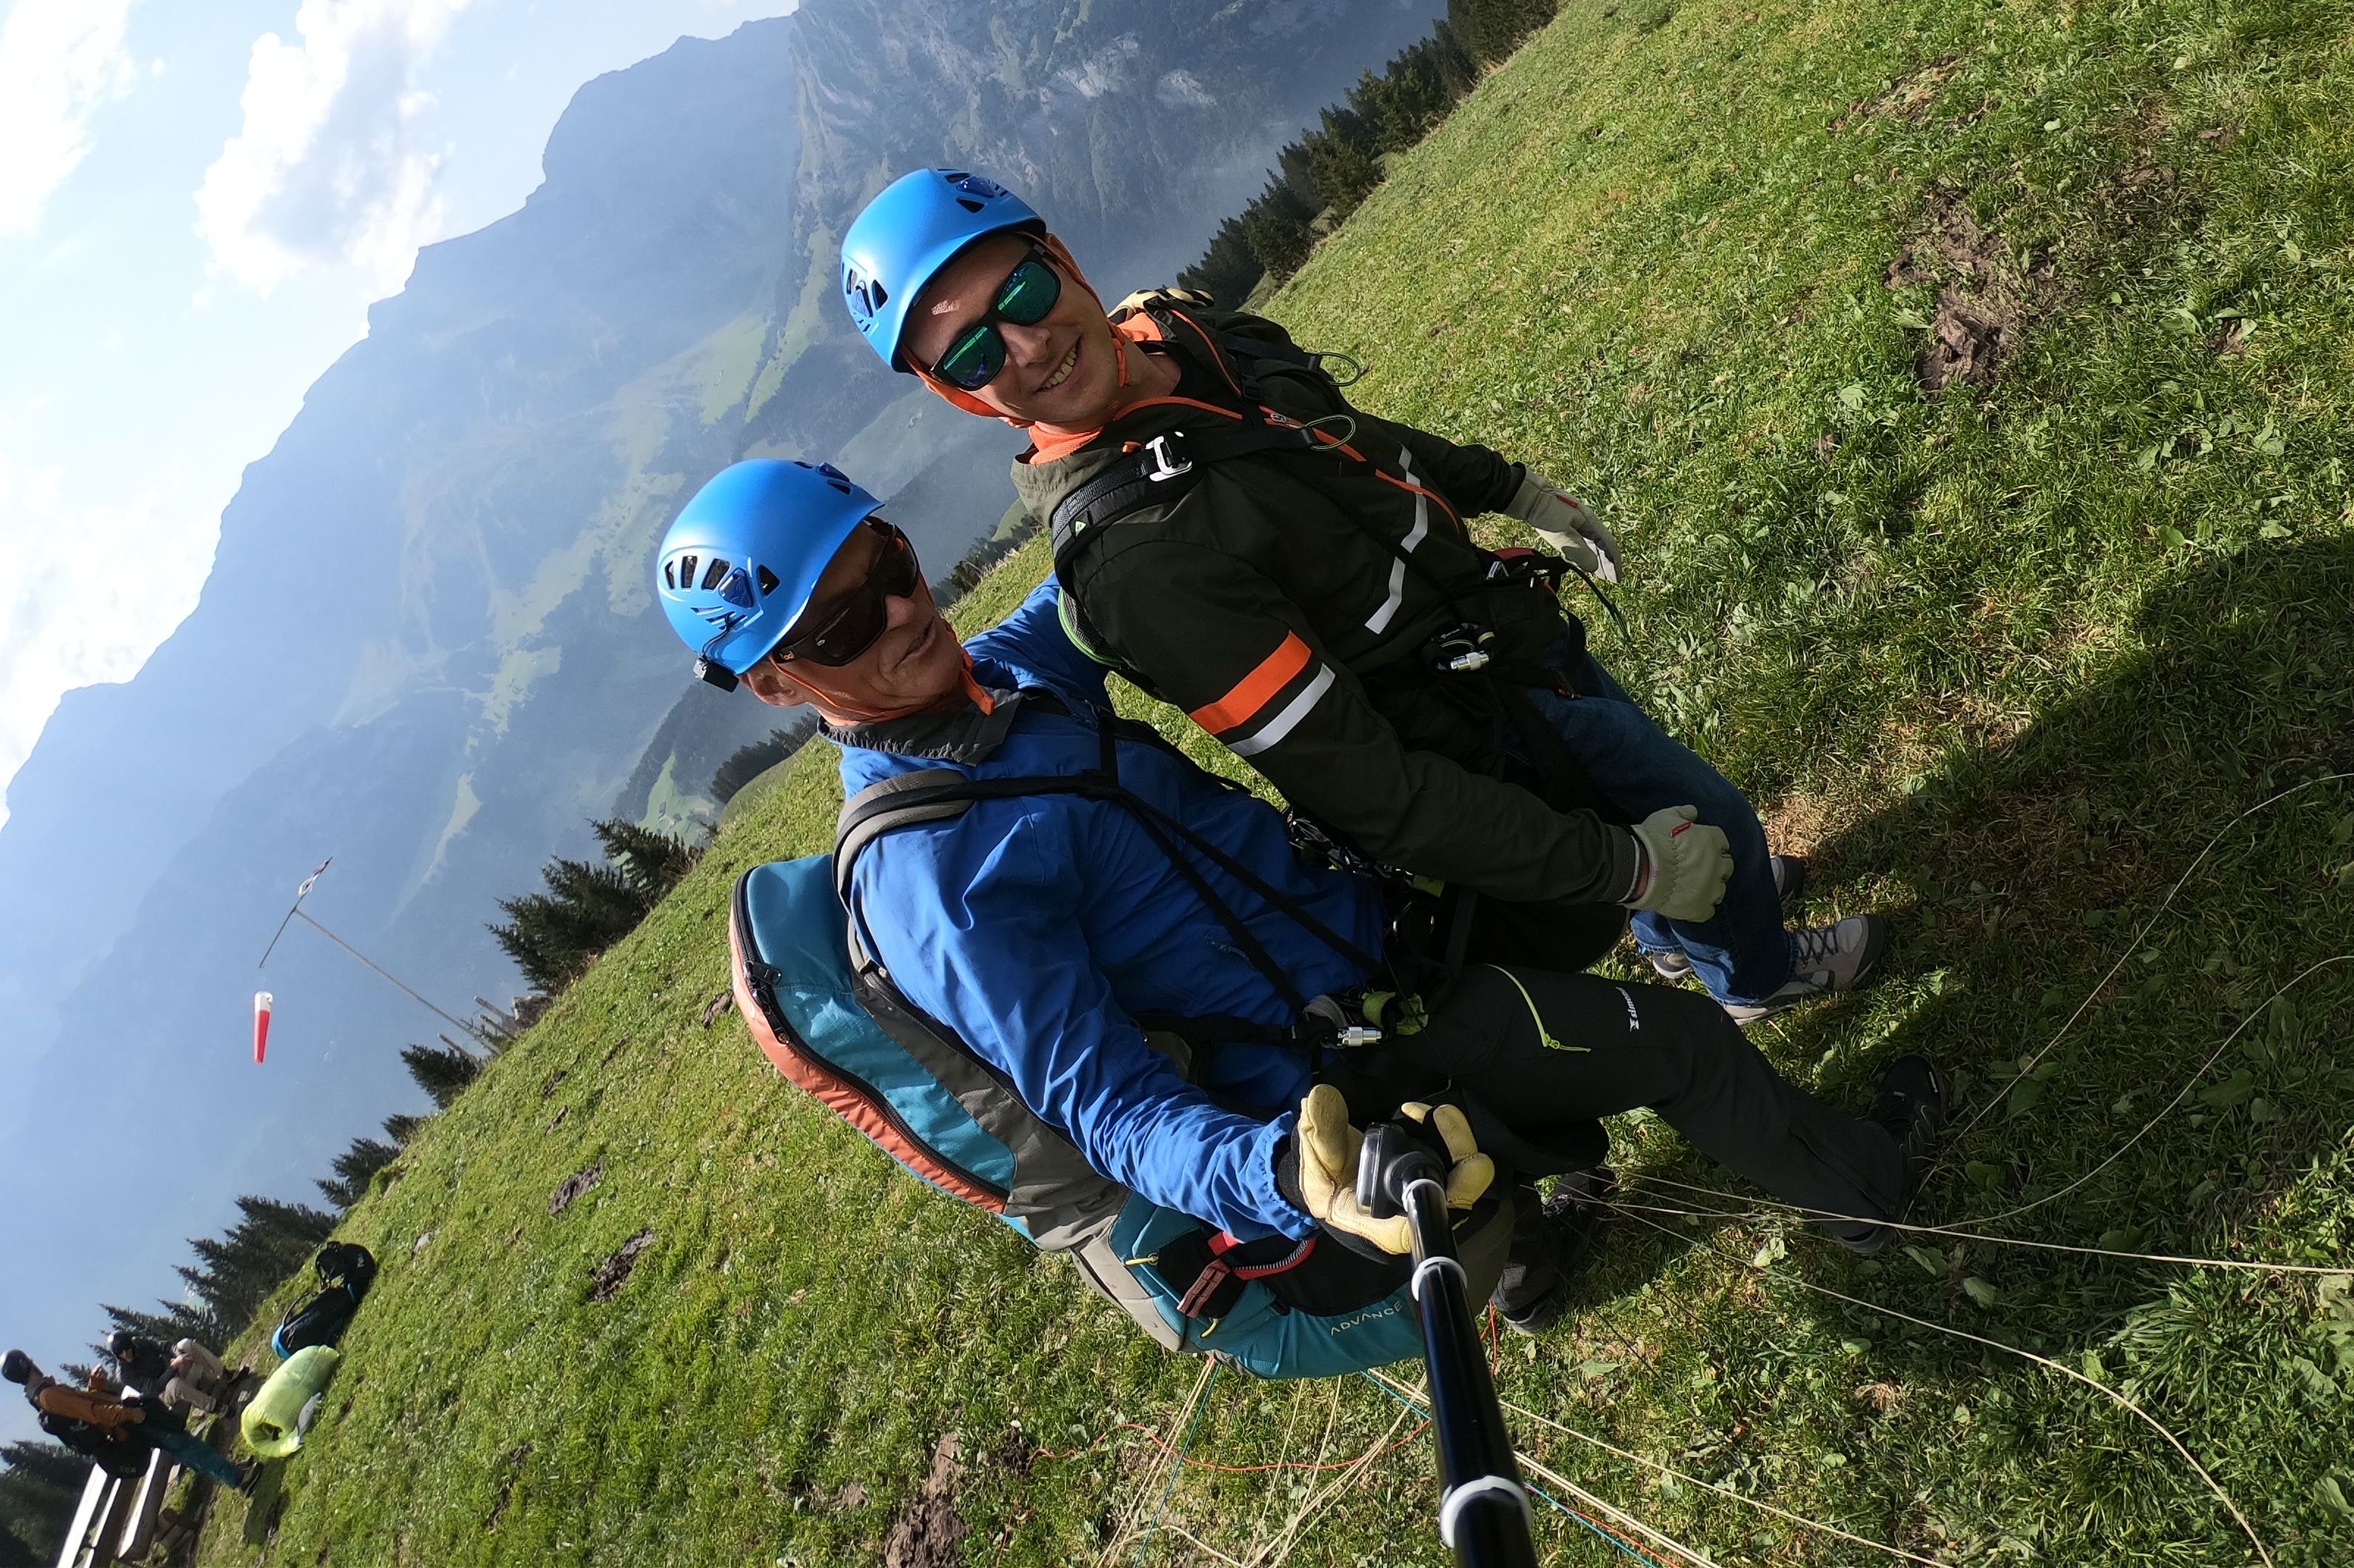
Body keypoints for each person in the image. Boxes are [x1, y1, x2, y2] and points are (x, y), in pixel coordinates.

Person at [656, 459, 1939, 1324]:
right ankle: (1867, 1191)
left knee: (1549, 905)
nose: (901, 611)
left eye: (887, 559)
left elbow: (1105, 570)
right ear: (774, 686)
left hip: (1374, 942)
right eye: (842, 626)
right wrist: (1296, 1175)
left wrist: (1145, 413)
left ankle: (1528, 1252)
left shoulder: (1005, 677)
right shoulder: (930, 885)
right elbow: (1110, 1111)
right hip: (1341, 1068)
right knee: (1681, 1044)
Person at [825, 168, 1884, 1019]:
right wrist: (1626, 870)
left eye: (1019, 294)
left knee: (1678, 821)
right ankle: (1752, 974)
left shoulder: (1180, 331)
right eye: (975, 351)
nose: (1028, 346)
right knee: (1709, 818)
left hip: (1508, 629)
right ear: (958, 394)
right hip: (1482, 724)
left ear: (1059, 257)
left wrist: (1504, 487)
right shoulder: (1137, 563)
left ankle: (1696, 928)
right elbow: (1375, 793)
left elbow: (1342, 441)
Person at [0, 1349, 253, 1492]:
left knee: (181, 1446)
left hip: (124, 1425)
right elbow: (94, 1413)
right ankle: (238, 1478)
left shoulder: (42, 1396)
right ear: (26, 1364)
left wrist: (94, 1386)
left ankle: (229, 1472)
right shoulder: (49, 1396)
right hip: (127, 1424)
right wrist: (130, 1414)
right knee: (183, 1444)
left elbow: (86, 1407)